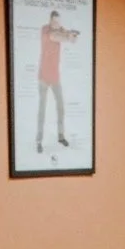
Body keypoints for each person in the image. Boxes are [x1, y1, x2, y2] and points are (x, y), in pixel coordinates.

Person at [37, 10, 78, 153]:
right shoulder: (45, 30)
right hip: (43, 76)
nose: (56, 23)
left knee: (60, 107)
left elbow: (71, 40)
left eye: (58, 21)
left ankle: (61, 136)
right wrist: (67, 35)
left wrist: (71, 35)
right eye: (54, 21)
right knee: (42, 110)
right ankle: (39, 141)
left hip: (55, 77)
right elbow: (55, 37)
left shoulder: (60, 30)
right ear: (50, 20)